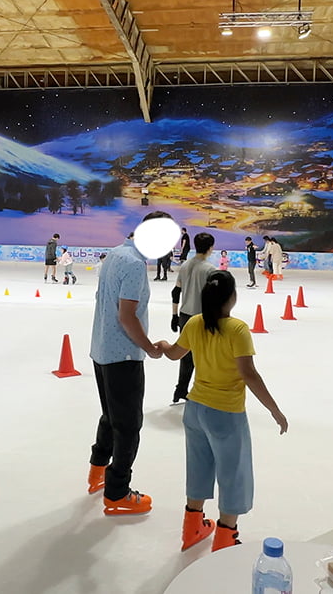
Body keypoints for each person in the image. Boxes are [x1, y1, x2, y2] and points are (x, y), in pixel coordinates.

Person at [160, 271, 288, 552]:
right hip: (225, 414)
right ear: (231, 297)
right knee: (233, 473)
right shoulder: (237, 329)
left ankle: (192, 528)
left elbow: (173, 354)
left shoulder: (195, 323)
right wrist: (274, 410)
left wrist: (162, 345)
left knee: (199, 466)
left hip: (195, 410)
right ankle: (225, 537)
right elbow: (248, 374)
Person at [87, 211, 171, 517]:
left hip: (102, 350)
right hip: (123, 355)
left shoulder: (115, 254)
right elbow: (127, 316)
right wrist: (149, 347)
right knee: (128, 425)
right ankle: (117, 491)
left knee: (110, 416)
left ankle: (98, 472)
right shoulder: (135, 264)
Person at [171, 232, 218, 404]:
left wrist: (174, 315)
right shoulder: (210, 270)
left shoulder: (185, 266)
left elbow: (176, 292)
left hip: (184, 316)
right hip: (201, 318)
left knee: (186, 356)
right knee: (204, 357)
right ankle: (202, 392)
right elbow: (214, 299)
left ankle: (180, 389)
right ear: (210, 248)